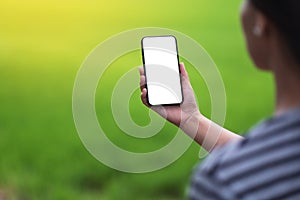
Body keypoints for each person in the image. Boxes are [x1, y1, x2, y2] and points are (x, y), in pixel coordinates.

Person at [139, 0, 300, 199]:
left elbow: (267, 163)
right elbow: (276, 160)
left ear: (262, 23)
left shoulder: (224, 182)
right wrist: (191, 119)